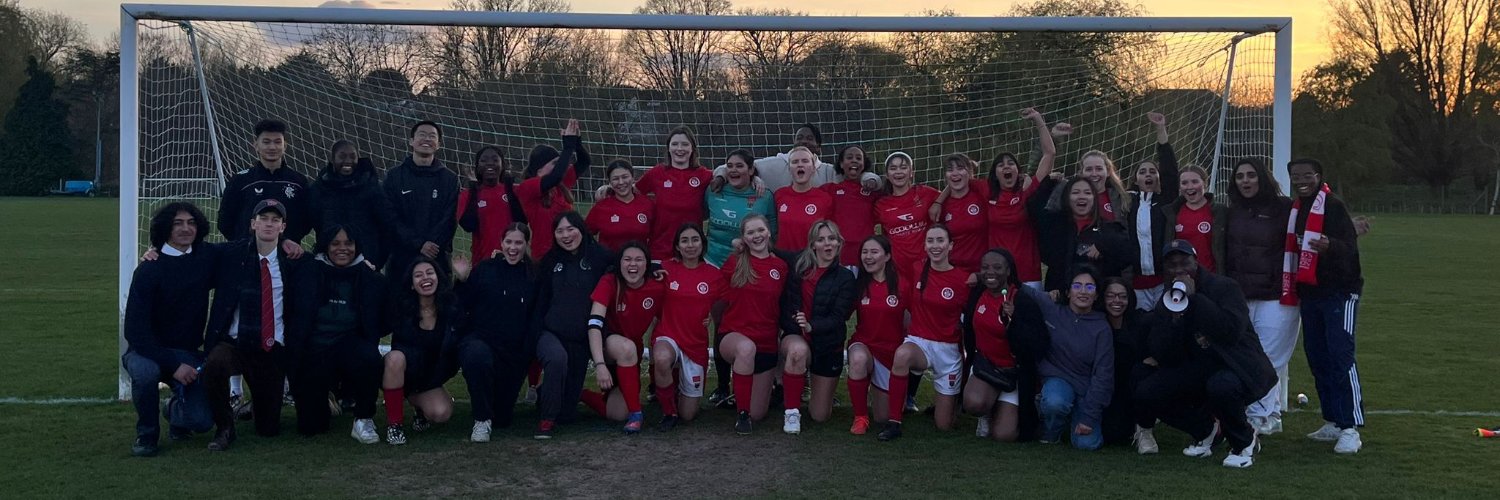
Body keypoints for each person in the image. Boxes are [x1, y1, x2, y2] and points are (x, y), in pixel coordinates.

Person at [1134, 240, 1276, 468]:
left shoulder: (1224, 287)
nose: (1179, 270)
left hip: (1236, 365)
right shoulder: (1167, 299)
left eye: (1184, 263)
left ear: (1197, 263)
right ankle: (1208, 431)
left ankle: (1244, 442)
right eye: (1172, 265)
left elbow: (1230, 332)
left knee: (1221, 386)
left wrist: (1196, 300)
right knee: (1148, 392)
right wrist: (1174, 322)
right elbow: (1164, 352)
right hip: (1199, 366)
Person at [201, 199, 312, 451]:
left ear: (283, 227)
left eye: (275, 220)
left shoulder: (294, 261)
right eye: (263, 219)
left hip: (271, 348)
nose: (269, 224)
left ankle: (255, 406)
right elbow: (195, 252)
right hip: (236, 343)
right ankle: (224, 427)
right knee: (215, 363)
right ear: (253, 224)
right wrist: (157, 250)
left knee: (268, 429)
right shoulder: (231, 253)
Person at [122, 202, 216, 456]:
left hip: (186, 352)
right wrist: (174, 366)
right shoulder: (149, 269)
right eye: (178, 223)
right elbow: (135, 330)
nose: (186, 229)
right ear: (165, 228)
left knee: (202, 422)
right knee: (145, 372)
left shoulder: (206, 258)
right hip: (145, 351)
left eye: (191, 223)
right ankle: (147, 435)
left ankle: (174, 410)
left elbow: (246, 249)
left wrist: (285, 241)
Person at [1285, 158, 1366, 454]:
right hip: (1311, 293)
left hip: (1339, 293)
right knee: (1318, 356)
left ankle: (1350, 427)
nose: (1301, 180)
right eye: (1296, 176)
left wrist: (1329, 245)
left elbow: (1349, 247)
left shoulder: (1332, 206)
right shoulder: (1296, 208)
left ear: (1318, 177)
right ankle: (1332, 419)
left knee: (1341, 354)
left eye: (1307, 175)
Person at [1223, 158, 1300, 435]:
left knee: (1269, 357)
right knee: (1248, 355)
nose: (1245, 181)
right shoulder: (1231, 212)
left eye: (1251, 175)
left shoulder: (1285, 209)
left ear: (1262, 178)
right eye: (1240, 176)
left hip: (1276, 295)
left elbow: (1314, 230)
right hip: (1241, 295)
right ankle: (1270, 412)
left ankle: (1261, 414)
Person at [290, 225, 386, 443]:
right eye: (335, 243)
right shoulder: (307, 271)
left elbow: (386, 317)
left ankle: (363, 419)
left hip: (348, 345)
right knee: (311, 428)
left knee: (369, 358)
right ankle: (326, 398)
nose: (342, 249)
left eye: (348, 244)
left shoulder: (370, 277)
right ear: (325, 245)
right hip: (315, 349)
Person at [878, 225, 969, 441]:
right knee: (902, 355)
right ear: (925, 245)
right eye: (930, 241)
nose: (935, 246)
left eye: (940, 241)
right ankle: (895, 422)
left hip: (948, 350)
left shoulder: (963, 279)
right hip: (919, 342)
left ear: (950, 246)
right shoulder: (917, 268)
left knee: (944, 425)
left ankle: (949, 404)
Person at [451, 223, 538, 443]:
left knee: (503, 419)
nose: (513, 248)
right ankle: (481, 420)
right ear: (501, 243)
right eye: (508, 242)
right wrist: (461, 280)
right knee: (476, 356)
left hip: (513, 353)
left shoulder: (534, 276)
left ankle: (492, 411)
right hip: (481, 341)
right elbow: (463, 303)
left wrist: (525, 353)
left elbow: (535, 318)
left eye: (518, 242)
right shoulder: (485, 269)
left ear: (526, 244)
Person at [703, 149, 775, 404]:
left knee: (753, 320)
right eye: (729, 166)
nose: (734, 170)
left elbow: (771, 232)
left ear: (751, 170)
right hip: (715, 266)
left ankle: (759, 378)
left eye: (740, 166)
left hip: (749, 269)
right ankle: (722, 385)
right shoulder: (714, 190)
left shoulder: (763, 195)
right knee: (721, 323)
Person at [532, 211, 613, 438]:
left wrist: (654, 270)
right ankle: (546, 421)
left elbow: (629, 264)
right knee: (557, 359)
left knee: (567, 415)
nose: (566, 235)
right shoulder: (550, 261)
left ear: (581, 229)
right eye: (560, 231)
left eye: (571, 229)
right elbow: (540, 299)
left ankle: (548, 395)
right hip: (552, 333)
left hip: (582, 338)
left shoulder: (600, 256)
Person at [1017, 264, 1113, 450]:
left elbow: (1103, 375)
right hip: (1057, 381)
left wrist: (1088, 417)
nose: (1083, 292)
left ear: (1097, 295)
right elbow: (1025, 290)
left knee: (1087, 444)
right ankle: (1051, 430)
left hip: (1086, 389)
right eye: (1077, 286)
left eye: (1090, 287)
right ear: (1068, 292)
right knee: (1055, 402)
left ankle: (1074, 417)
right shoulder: (1052, 309)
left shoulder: (1102, 328)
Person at [960, 248, 1050, 443]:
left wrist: (1015, 321)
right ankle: (986, 412)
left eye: (997, 267)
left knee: (1004, 435)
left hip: (1015, 374)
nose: (990, 272)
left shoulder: (1022, 300)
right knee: (973, 403)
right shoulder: (977, 294)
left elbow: (1038, 343)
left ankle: (1007, 406)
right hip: (988, 369)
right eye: (985, 267)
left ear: (1008, 271)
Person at [778, 220, 857, 431]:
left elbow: (839, 317)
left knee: (820, 416)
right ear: (812, 244)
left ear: (839, 243)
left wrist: (813, 326)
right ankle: (791, 413)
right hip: (797, 336)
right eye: (821, 240)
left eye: (832, 239)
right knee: (796, 351)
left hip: (827, 345)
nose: (827, 244)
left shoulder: (846, 277)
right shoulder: (798, 266)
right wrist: (742, 243)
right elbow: (769, 249)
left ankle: (808, 391)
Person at [717, 214, 790, 434]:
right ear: (743, 238)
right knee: (745, 349)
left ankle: (748, 397)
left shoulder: (781, 266)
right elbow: (714, 293)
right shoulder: (734, 262)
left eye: (760, 230)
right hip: (734, 336)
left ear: (769, 232)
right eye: (750, 232)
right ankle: (741, 415)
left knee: (758, 413)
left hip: (766, 342)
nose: (756, 236)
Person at [585, 242, 665, 433]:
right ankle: (637, 415)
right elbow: (594, 324)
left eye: (639, 260)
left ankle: (580, 394)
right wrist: (600, 365)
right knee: (626, 347)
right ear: (619, 263)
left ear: (647, 264)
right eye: (627, 259)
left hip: (631, 355)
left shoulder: (657, 285)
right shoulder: (609, 281)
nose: (633, 265)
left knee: (617, 413)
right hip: (605, 346)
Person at [652, 223, 724, 430]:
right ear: (677, 246)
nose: (690, 245)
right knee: (662, 358)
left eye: (695, 239)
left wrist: (710, 315)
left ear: (702, 244)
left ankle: (677, 392)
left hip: (695, 343)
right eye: (684, 240)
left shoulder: (713, 274)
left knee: (689, 415)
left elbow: (725, 303)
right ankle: (668, 412)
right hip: (668, 335)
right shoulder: (665, 269)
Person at [380, 256, 459, 445]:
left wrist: (462, 279)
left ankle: (418, 407)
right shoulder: (401, 308)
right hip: (401, 373)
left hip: (428, 379)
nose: (426, 278)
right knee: (395, 358)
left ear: (438, 277)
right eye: (418, 275)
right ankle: (395, 426)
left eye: (430, 273)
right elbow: (378, 325)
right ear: (411, 284)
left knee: (441, 414)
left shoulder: (448, 307)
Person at [984, 108, 1057, 289]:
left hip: (1028, 273)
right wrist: (938, 201)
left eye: (1011, 164)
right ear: (995, 173)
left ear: (1018, 171)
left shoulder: (1027, 193)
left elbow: (1049, 154)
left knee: (1028, 317)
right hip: (998, 275)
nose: (1006, 167)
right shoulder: (985, 194)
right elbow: (958, 181)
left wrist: (1038, 120)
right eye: (1001, 165)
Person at [217, 119, 312, 250]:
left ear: (285, 146)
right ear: (256, 145)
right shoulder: (240, 181)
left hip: (287, 254)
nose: (272, 147)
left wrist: (289, 239)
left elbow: (306, 221)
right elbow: (225, 221)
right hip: (247, 255)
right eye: (266, 142)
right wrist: (244, 241)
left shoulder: (298, 181)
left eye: (277, 142)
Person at [845, 236, 905, 435]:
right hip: (865, 345)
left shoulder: (901, 285)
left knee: (882, 417)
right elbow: (842, 315)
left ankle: (875, 387)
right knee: (858, 359)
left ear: (887, 256)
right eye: (865, 252)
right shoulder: (859, 285)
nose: (868, 257)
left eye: (874, 252)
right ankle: (860, 417)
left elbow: (912, 322)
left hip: (891, 355)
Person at [1121, 113, 1180, 309]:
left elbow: (1170, 170)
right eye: (1143, 172)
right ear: (1136, 178)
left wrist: (1160, 129)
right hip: (1135, 282)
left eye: (1152, 171)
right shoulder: (1127, 201)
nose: (1148, 175)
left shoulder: (1166, 201)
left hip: (1163, 281)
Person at [711, 123, 882, 191]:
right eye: (799, 138)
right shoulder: (774, 164)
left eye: (809, 138)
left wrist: (870, 179)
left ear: (818, 148)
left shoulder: (829, 172)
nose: (803, 142)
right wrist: (720, 176)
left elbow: (857, 174)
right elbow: (737, 167)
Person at [1037, 175, 1137, 292]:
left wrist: (1104, 245)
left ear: (1094, 198)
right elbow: (1033, 207)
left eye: (1087, 193)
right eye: (1075, 192)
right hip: (1061, 301)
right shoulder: (1055, 225)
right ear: (1066, 197)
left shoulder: (1108, 228)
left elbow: (1128, 254)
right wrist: (1047, 181)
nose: (1082, 196)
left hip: (1097, 302)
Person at [384, 120, 459, 275]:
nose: (427, 139)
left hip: (437, 256)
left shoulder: (450, 179)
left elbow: (449, 218)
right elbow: (390, 217)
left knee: (438, 299)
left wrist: (431, 245)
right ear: (411, 141)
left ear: (438, 144)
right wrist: (418, 244)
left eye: (432, 136)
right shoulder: (394, 177)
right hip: (402, 258)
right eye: (422, 135)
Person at [309, 140, 398, 269]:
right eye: (342, 156)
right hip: (329, 265)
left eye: (352, 156)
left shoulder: (371, 187)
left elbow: (387, 224)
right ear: (332, 159)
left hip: (366, 263)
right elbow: (312, 220)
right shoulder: (319, 188)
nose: (348, 160)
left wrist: (377, 260)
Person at [518, 119, 592, 258]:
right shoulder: (527, 187)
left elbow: (584, 162)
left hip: (569, 253)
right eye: (554, 163)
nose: (560, 166)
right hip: (544, 257)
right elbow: (555, 177)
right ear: (539, 169)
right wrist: (568, 147)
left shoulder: (560, 184)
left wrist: (576, 143)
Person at [634, 126, 711, 259]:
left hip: (690, 251)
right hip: (660, 249)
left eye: (685, 144)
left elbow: (727, 174)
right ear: (668, 148)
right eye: (675, 144)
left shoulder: (704, 175)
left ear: (692, 148)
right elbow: (633, 191)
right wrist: (608, 188)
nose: (679, 149)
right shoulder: (657, 172)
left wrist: (755, 178)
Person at [1097, 277, 1156, 450]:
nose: (1117, 301)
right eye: (1111, 296)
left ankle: (1144, 426)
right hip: (1106, 389)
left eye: (1122, 296)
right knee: (1110, 435)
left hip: (1132, 388)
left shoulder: (1140, 321)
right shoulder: (1096, 322)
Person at [874, 152, 942, 284]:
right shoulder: (880, 204)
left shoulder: (925, 193)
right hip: (897, 268)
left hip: (926, 264)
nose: (898, 172)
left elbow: (951, 190)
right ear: (887, 175)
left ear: (911, 172)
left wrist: (938, 202)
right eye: (893, 168)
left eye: (903, 167)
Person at [457, 145, 526, 263]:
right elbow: (468, 226)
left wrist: (509, 186)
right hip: (483, 262)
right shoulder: (468, 195)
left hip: (513, 260)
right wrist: (474, 188)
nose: (490, 163)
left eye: (495, 160)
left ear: (503, 165)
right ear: (477, 167)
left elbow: (522, 221)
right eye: (484, 160)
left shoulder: (513, 191)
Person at [1158, 165, 1226, 272]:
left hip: (1212, 278)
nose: (1190, 187)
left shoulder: (1220, 211)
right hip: (1183, 277)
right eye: (1184, 183)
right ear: (1180, 187)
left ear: (1205, 183)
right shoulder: (1172, 213)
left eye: (1195, 182)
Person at [929, 153, 989, 272]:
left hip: (984, 270)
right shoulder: (940, 205)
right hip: (954, 270)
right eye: (950, 170)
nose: (955, 173)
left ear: (969, 172)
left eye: (960, 168)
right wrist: (939, 202)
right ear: (945, 175)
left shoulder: (981, 193)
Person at [823, 145, 881, 267]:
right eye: (849, 157)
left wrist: (874, 180)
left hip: (866, 254)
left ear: (864, 165)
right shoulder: (830, 190)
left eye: (858, 158)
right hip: (840, 254)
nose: (854, 160)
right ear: (841, 164)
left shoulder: (873, 193)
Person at [772, 146, 835, 252]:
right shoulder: (779, 195)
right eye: (795, 162)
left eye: (805, 161)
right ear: (789, 169)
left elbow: (830, 233)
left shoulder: (824, 198)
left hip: (811, 259)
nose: (800, 164)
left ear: (813, 168)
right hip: (783, 258)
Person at [585, 159, 653, 253]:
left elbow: (657, 235)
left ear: (633, 178)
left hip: (638, 264)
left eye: (625, 177)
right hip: (609, 265)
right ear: (610, 182)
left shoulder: (647, 204)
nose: (621, 182)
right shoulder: (601, 207)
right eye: (615, 179)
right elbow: (583, 235)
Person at [1076, 149, 1131, 221]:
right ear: (1082, 173)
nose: (1094, 174)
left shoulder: (1121, 199)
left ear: (1108, 172)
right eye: (1089, 169)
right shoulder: (1072, 198)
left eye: (1099, 169)